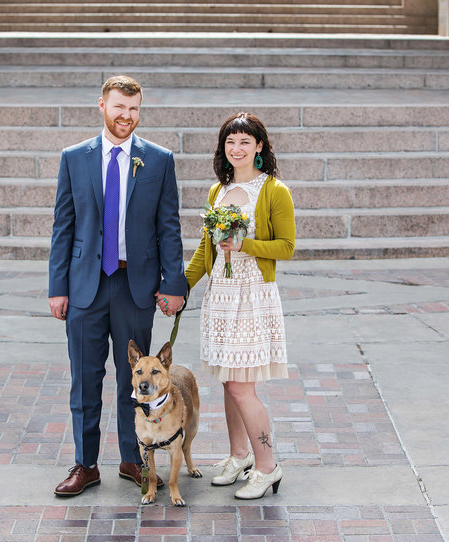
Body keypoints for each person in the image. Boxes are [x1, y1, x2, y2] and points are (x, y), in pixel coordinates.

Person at [48, 75, 188, 497]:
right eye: (118, 107)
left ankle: (134, 460)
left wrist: (174, 283)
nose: (126, 116)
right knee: (85, 380)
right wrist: (58, 286)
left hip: (135, 286)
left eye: (133, 109)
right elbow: (63, 226)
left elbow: (169, 227)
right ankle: (85, 464)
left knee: (139, 380)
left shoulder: (158, 160)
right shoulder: (75, 158)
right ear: (102, 106)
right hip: (85, 285)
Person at [173, 112, 295, 499]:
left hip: (253, 294)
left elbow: (287, 247)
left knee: (243, 388)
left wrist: (245, 246)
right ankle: (239, 455)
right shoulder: (217, 192)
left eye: (245, 141)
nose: (237, 148)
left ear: (259, 146)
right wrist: (179, 286)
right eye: (230, 142)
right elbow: (204, 251)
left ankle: (267, 466)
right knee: (229, 383)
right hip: (221, 297)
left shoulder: (274, 191)